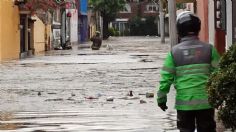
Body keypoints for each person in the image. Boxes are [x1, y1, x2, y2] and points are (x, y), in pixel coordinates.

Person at [156, 11, 220, 132]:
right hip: (206, 103)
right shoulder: (209, 49)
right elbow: (219, 74)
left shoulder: (174, 52)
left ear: (179, 30)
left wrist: (161, 99)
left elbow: (165, 79)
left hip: (184, 104)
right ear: (198, 28)